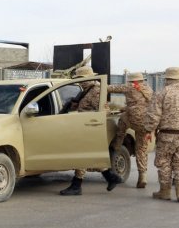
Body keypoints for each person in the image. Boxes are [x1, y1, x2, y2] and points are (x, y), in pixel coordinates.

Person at [59, 66, 124, 196]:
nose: (79, 82)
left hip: (90, 127)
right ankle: (111, 177)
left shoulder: (95, 91)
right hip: (85, 126)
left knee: (81, 156)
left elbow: (104, 111)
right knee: (90, 157)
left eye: (80, 79)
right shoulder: (87, 91)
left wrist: (90, 117)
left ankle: (76, 185)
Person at [144, 66, 179, 202]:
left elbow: (153, 115)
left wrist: (148, 130)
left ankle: (165, 191)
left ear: (167, 78)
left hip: (166, 135)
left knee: (164, 163)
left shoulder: (162, 93)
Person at [108, 72, 154, 188]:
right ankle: (142, 176)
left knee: (121, 122)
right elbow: (141, 103)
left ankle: (117, 145)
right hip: (146, 122)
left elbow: (112, 88)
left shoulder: (129, 87)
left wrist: (98, 84)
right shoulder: (148, 88)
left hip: (133, 119)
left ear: (131, 81)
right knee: (141, 149)